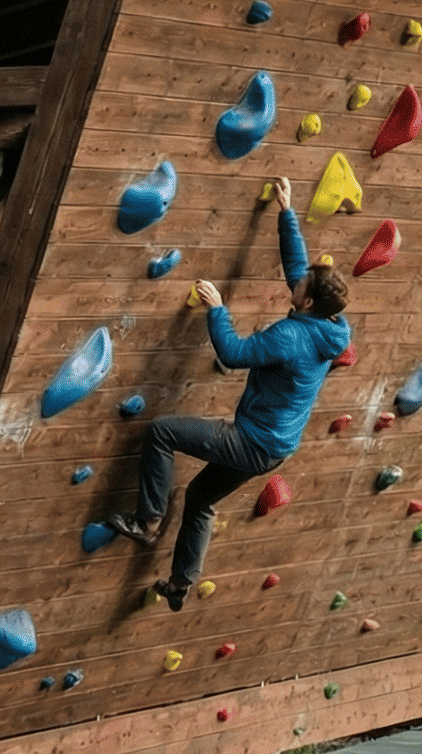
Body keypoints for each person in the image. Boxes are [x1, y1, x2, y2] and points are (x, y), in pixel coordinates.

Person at [109, 176, 351, 611]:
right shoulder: (332, 325)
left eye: (300, 289)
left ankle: (147, 520)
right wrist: (286, 213)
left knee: (162, 432)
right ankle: (181, 585)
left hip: (251, 442)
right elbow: (300, 271)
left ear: (307, 303)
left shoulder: (290, 337)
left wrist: (218, 308)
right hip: (275, 446)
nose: (292, 286)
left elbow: (234, 352)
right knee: (199, 498)